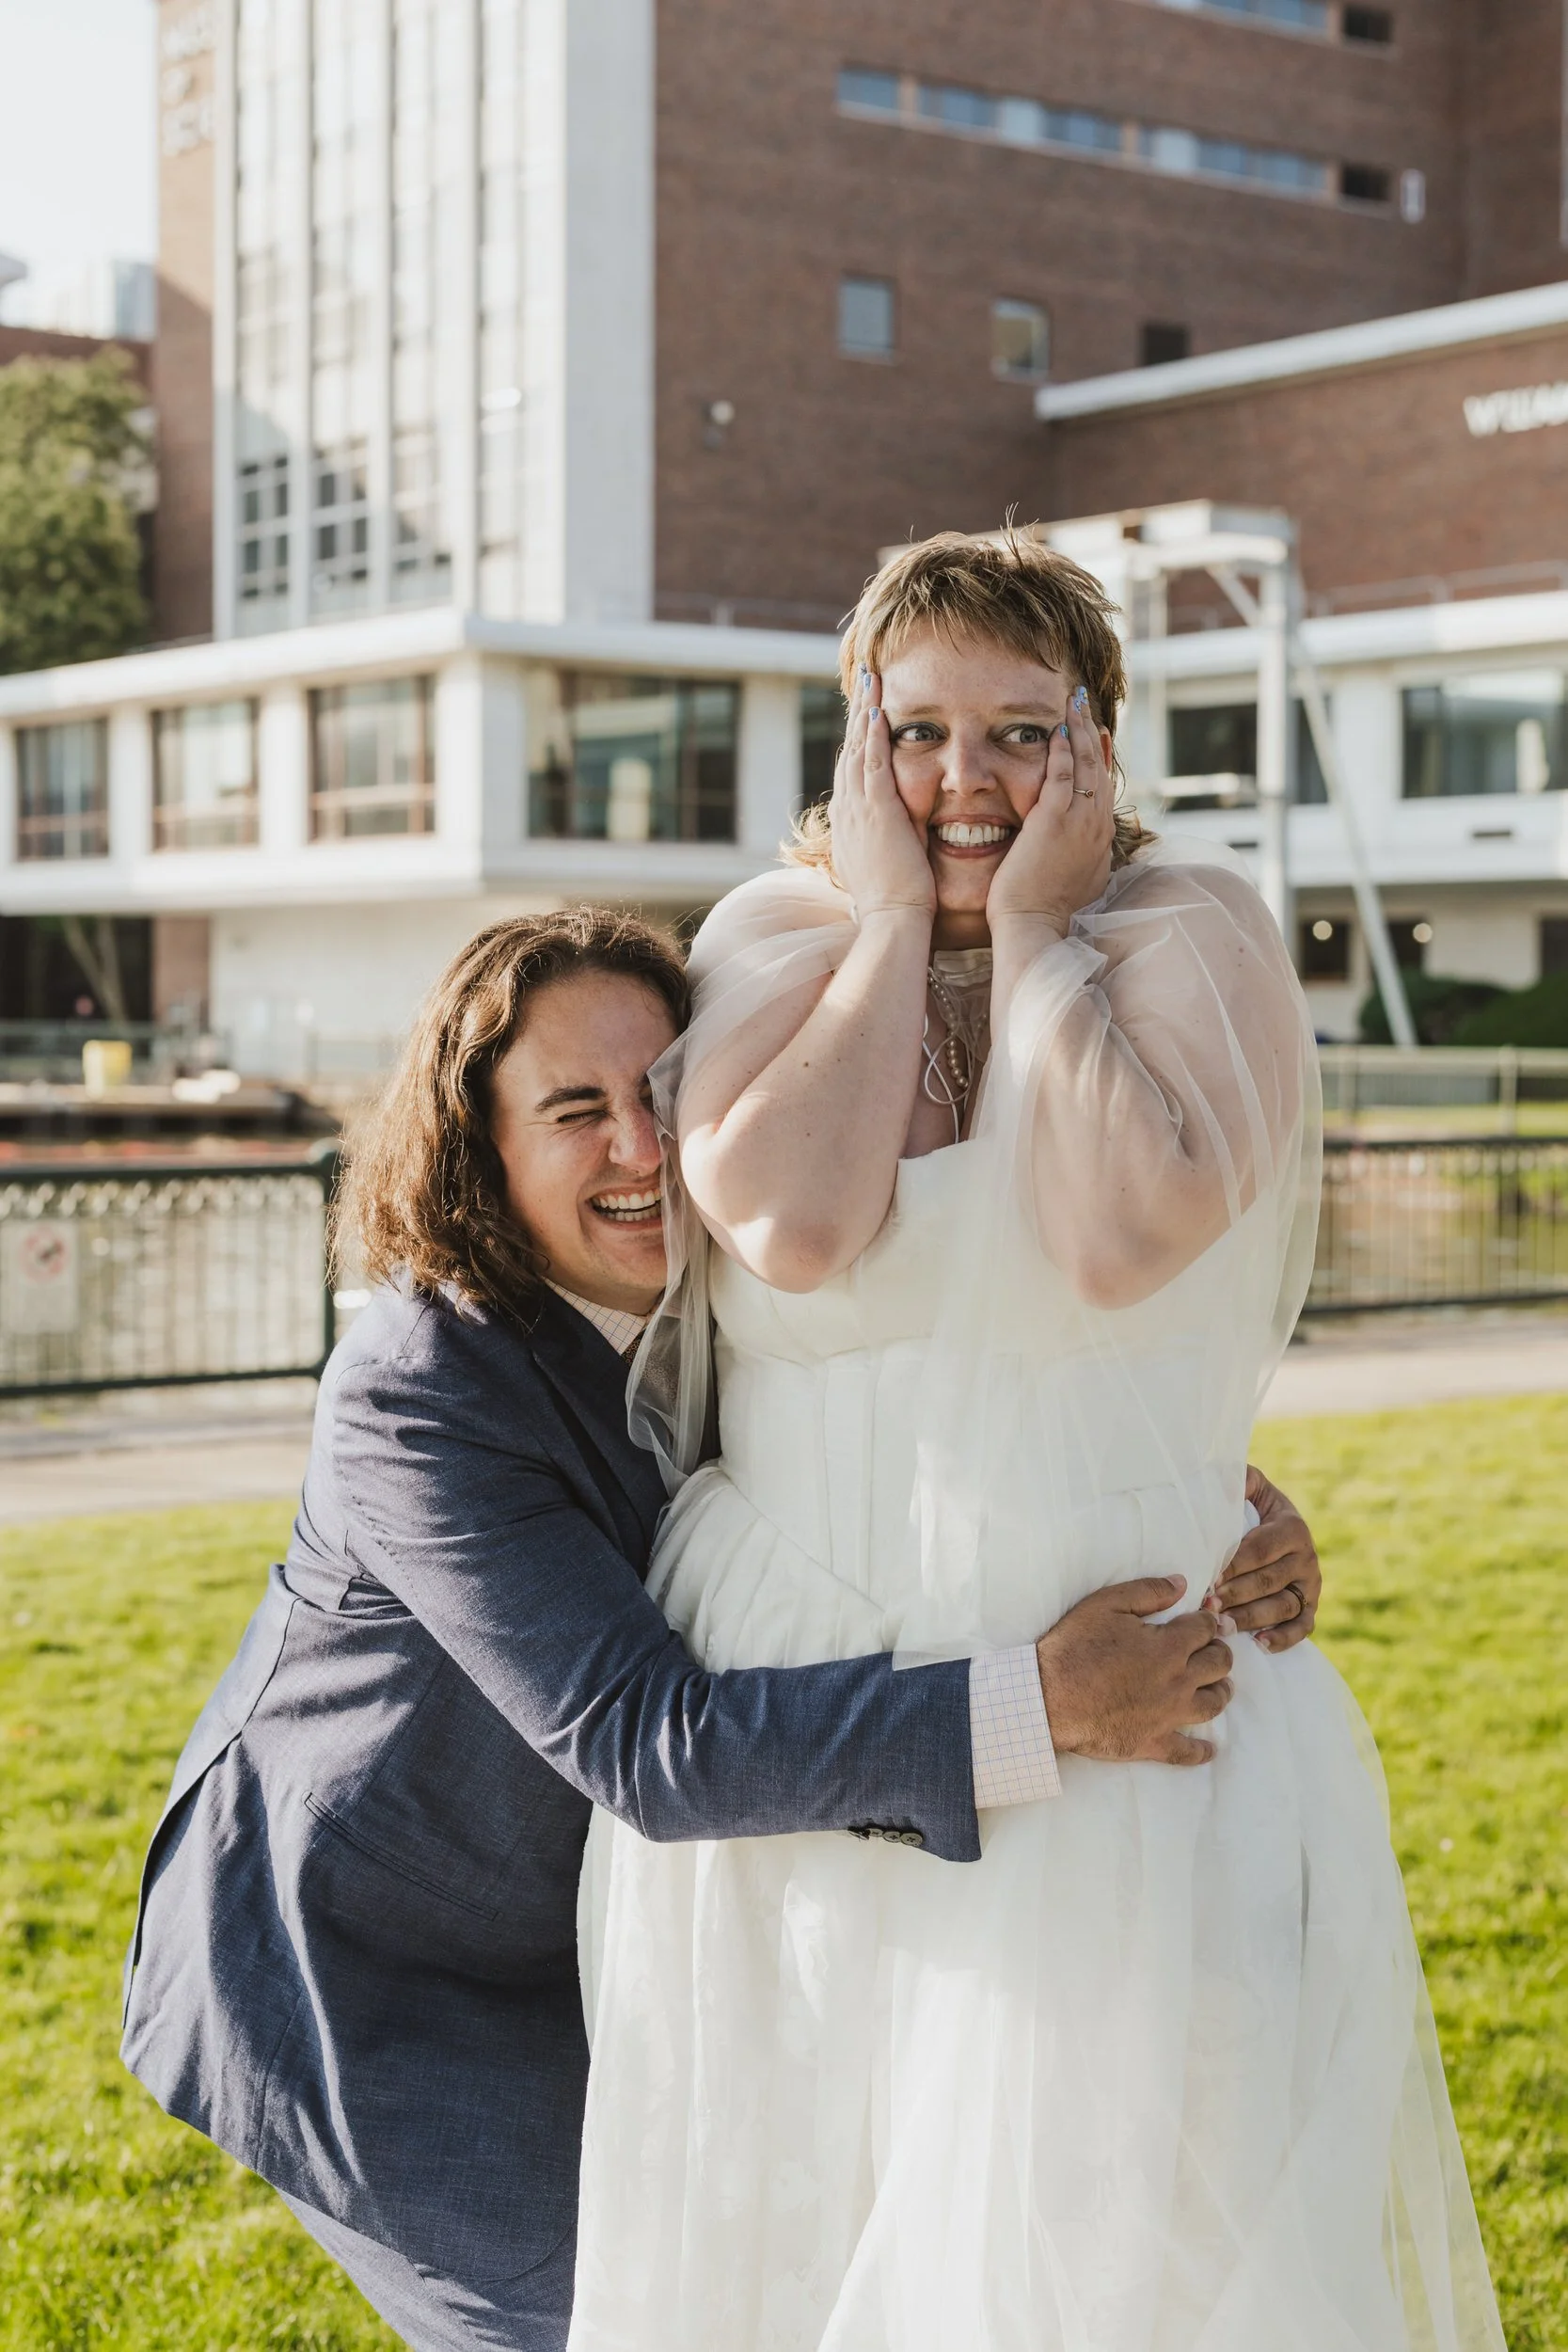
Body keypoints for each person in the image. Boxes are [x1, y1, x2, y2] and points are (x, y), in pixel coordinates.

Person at [119, 906, 1320, 2352]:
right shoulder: (416, 1390)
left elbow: (933, 1456)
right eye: (577, 1112)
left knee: (767, 2286)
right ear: (474, 1153)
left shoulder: (743, 1291)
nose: (640, 1145)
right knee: (621, 2316)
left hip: (590, 1925)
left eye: (663, 1092)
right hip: (363, 1977)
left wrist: (1213, 1519)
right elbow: (647, 1739)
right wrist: (1042, 1706)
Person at [570, 534, 1506, 2351]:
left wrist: (1024, 939)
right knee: (809, 2197)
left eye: (1020, 731)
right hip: (820, 1672)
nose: (965, 781)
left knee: (1124, 2223)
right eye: (915, 731)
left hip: (1137, 1703)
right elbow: (797, 1230)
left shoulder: (1196, 935)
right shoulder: (770, 938)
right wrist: (892, 926)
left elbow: (1104, 1243)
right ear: (856, 742)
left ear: (1101, 740)